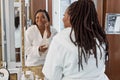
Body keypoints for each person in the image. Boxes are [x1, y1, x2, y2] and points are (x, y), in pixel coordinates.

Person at [42, 0, 109, 80]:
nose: (63, 19)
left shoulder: (61, 39)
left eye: (64, 15)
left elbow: (51, 76)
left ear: (71, 17)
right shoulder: (99, 38)